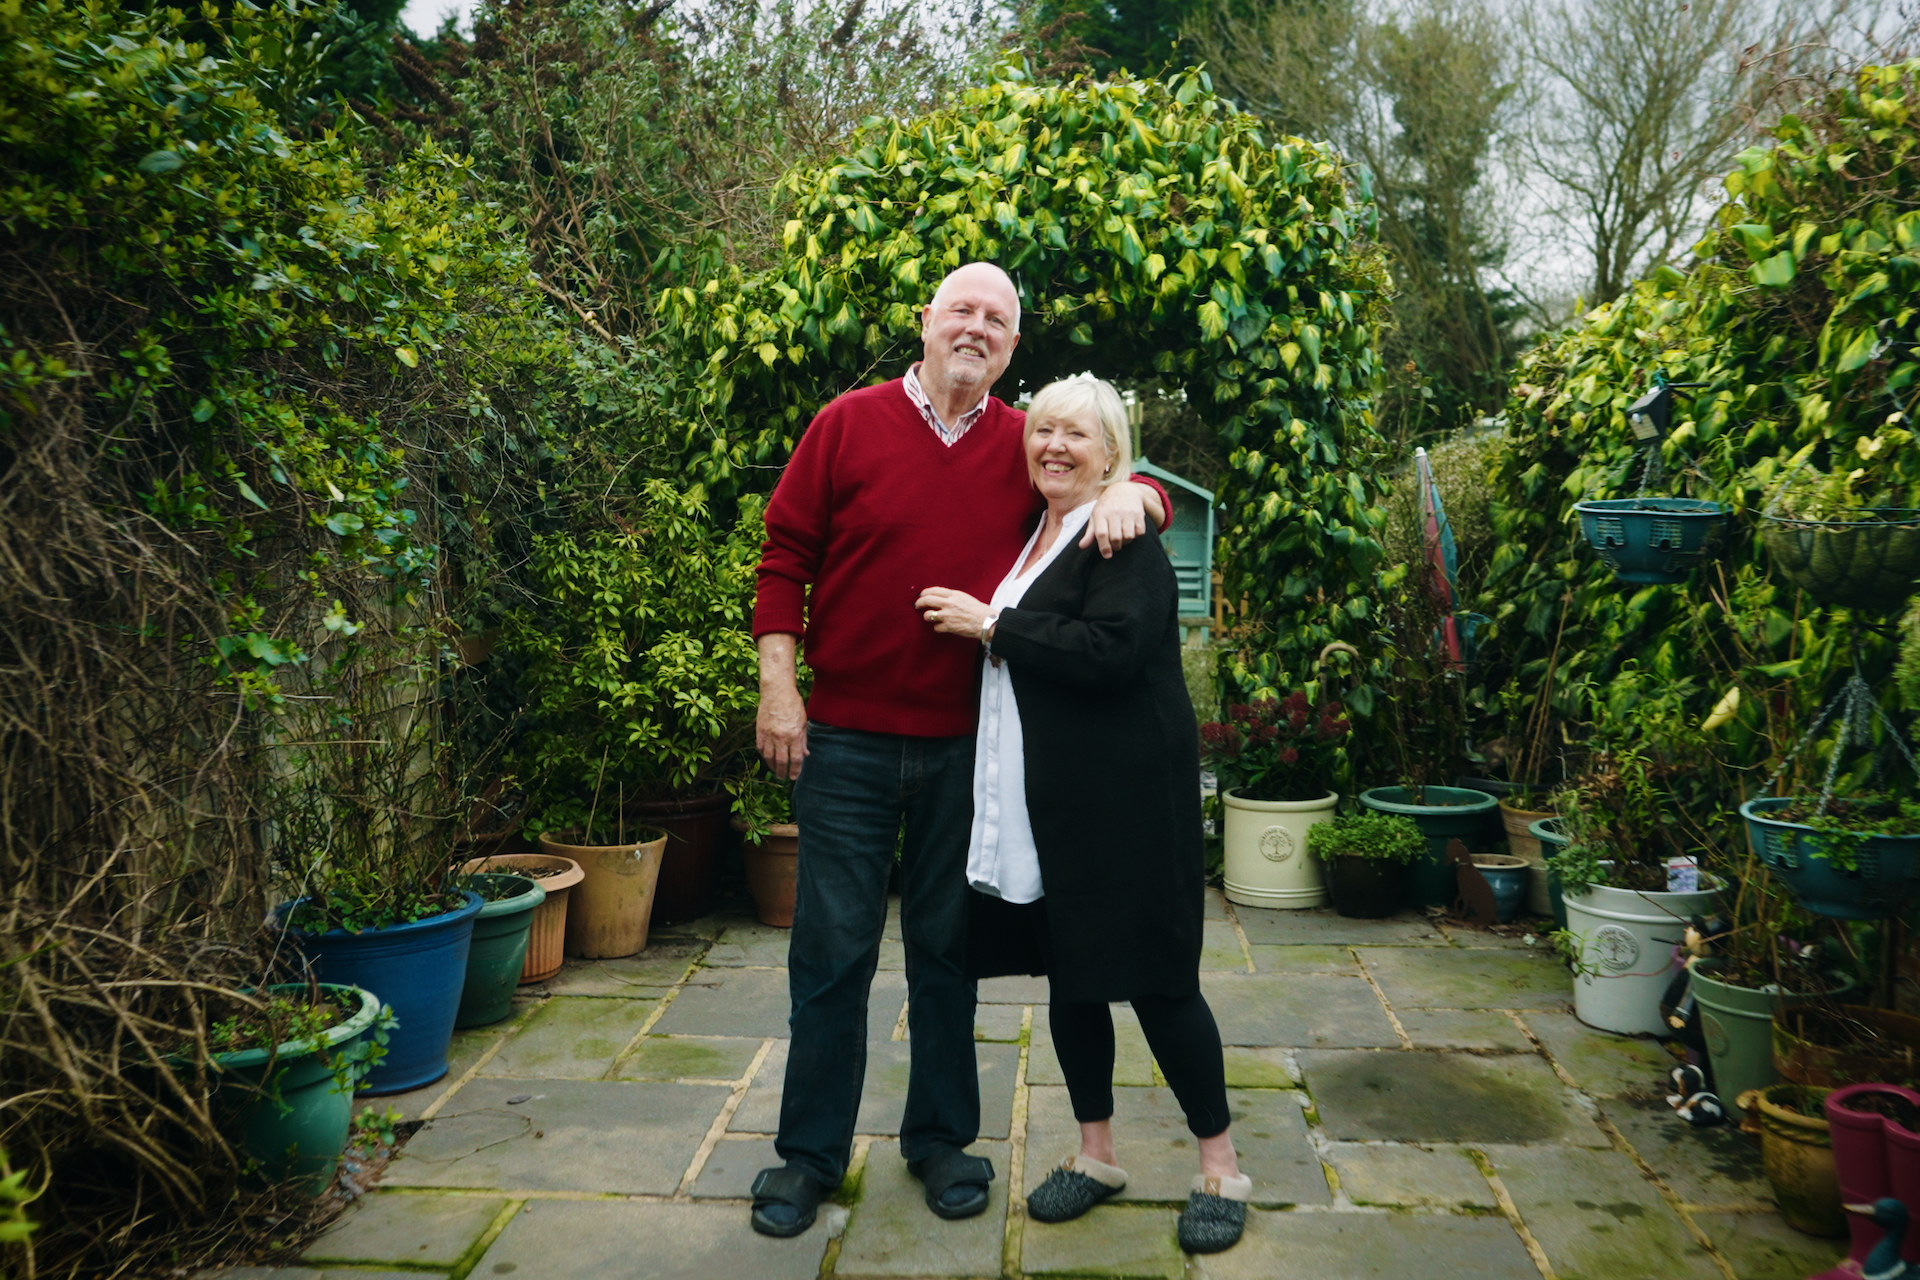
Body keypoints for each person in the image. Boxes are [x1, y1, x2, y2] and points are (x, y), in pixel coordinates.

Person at [748, 263, 1172, 1238]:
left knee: (947, 951)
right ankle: (807, 1154)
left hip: (967, 749)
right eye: (962, 311)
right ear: (927, 322)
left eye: (998, 319)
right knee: (831, 954)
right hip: (847, 742)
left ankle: (942, 1137)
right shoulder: (846, 424)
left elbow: (1109, 467)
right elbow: (783, 557)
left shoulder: (1024, 441)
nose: (976, 328)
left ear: (1014, 347)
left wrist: (1140, 497)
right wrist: (780, 687)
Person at [914, 375, 1251, 1255]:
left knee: (1161, 983)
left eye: (1077, 434)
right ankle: (1097, 1154)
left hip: (1129, 805)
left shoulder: (1121, 534)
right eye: (1044, 430)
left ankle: (1221, 1167)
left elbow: (1112, 652)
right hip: (1051, 805)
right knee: (1073, 979)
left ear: (1112, 453)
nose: (1054, 445)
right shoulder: (1042, 531)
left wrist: (993, 626)